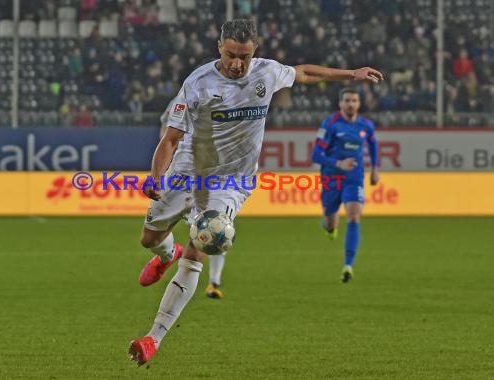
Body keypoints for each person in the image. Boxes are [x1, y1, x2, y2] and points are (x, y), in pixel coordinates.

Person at [129, 19, 383, 365]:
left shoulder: (266, 73)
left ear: (255, 51)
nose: (238, 64)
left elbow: (304, 72)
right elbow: (170, 140)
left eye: (245, 57)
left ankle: (152, 338)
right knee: (149, 238)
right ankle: (164, 255)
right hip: (188, 172)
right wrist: (156, 178)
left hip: (231, 181)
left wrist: (351, 74)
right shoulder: (198, 83)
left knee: (204, 241)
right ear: (220, 47)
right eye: (232, 55)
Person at [158, 97, 228, 299]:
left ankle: (214, 282)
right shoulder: (182, 100)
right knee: (153, 235)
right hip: (183, 173)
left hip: (213, 173)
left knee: (217, 227)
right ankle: (169, 253)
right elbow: (166, 128)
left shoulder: (231, 101)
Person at [312, 88, 380, 283]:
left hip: (354, 177)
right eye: (347, 101)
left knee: (354, 214)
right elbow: (315, 155)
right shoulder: (330, 125)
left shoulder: (366, 125)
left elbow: (373, 145)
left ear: (359, 104)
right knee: (331, 221)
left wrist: (375, 168)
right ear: (340, 104)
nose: (351, 104)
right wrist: (338, 163)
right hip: (331, 178)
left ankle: (348, 265)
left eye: (354, 101)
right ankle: (329, 227)